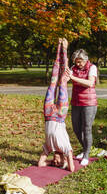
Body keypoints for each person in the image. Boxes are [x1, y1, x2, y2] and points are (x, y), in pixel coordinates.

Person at [38, 38, 75, 172]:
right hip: (60, 115)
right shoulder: (66, 148)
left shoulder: (48, 148)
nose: (54, 161)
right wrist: (68, 157)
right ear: (63, 160)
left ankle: (58, 46)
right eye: (57, 163)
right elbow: (71, 169)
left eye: (54, 163)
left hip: (48, 114)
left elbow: (41, 164)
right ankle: (64, 48)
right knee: (63, 80)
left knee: (53, 81)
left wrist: (50, 163)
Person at [66, 49, 97, 166]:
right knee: (76, 128)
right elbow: (66, 78)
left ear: (86, 60)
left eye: (80, 62)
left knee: (86, 128)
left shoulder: (92, 67)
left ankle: (86, 155)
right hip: (76, 102)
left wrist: (73, 78)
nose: (78, 64)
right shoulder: (73, 68)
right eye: (76, 62)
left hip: (89, 103)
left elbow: (90, 83)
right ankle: (85, 149)